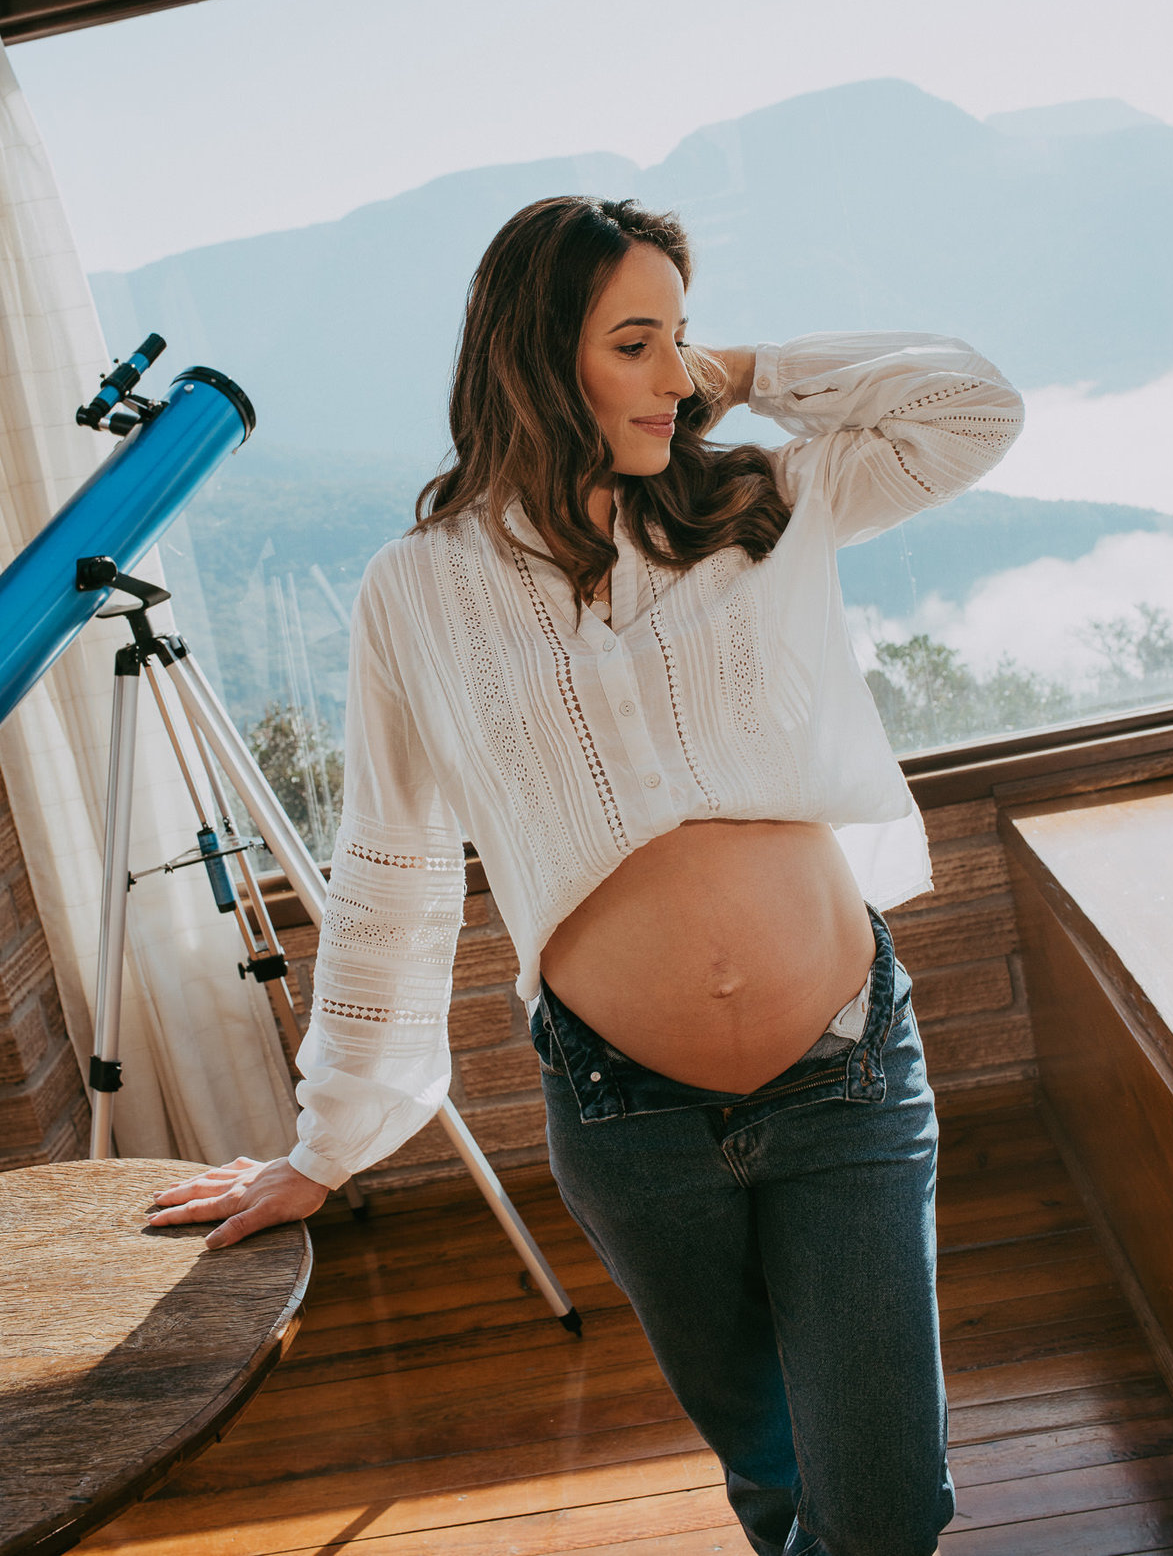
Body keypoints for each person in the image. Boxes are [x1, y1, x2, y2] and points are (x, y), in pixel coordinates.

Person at [148, 196, 1024, 1556]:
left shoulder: (766, 501)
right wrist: (327, 1142)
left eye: (680, 337)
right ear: (537, 359)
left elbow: (971, 408)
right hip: (628, 1120)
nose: (677, 374)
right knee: (776, 1467)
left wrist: (742, 370)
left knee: (887, 1505)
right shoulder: (417, 590)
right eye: (636, 342)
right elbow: (393, 866)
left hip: (843, 1070)